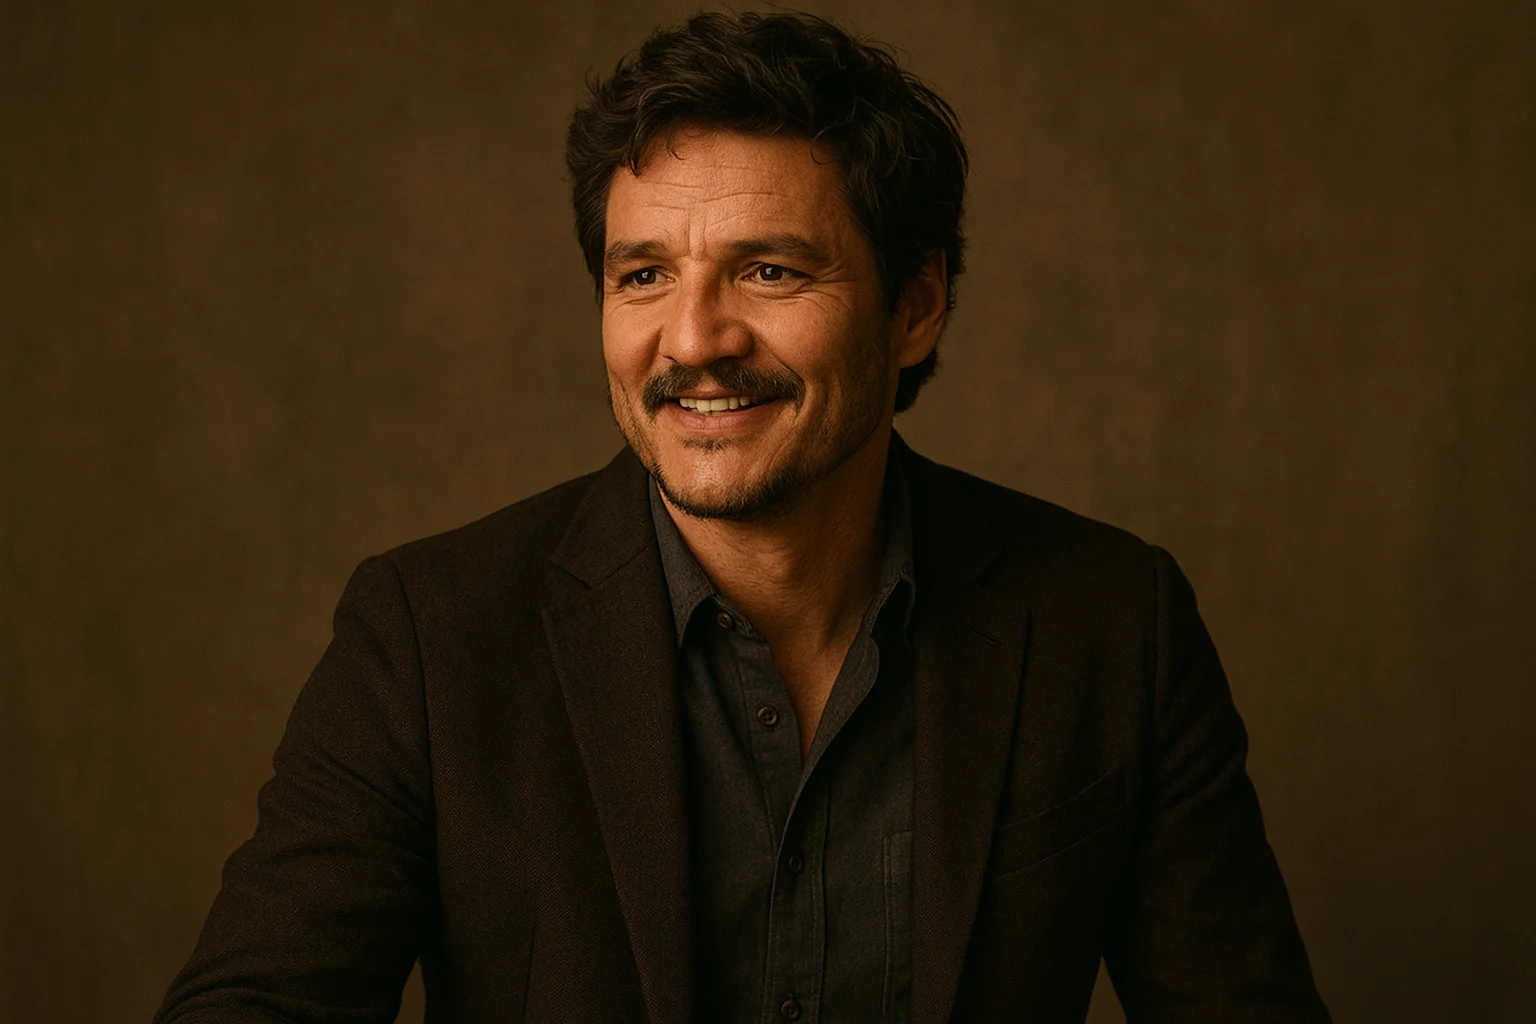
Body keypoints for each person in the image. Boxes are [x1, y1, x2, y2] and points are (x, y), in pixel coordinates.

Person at [155, 10, 1331, 1024]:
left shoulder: (1114, 625)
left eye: (769, 271)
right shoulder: (429, 634)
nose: (693, 338)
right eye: (643, 274)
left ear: (915, 307)